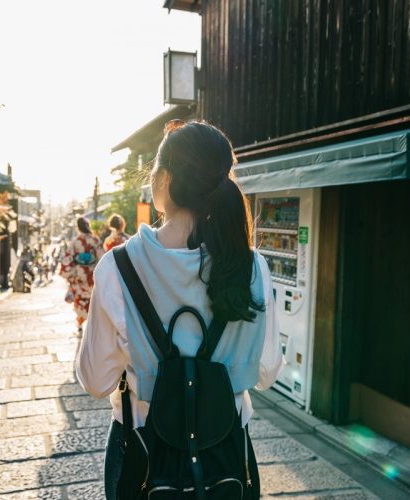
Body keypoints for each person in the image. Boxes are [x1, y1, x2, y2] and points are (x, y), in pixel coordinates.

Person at [76, 120, 283, 499]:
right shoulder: (252, 265)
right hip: (227, 457)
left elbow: (95, 380)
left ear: (164, 179)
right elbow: (267, 371)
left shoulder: (118, 267)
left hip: (143, 454)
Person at [59, 217, 104, 331]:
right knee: (93, 300)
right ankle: (92, 323)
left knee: (80, 300)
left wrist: (69, 273)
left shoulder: (75, 242)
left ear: (78, 228)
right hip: (93, 274)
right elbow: (102, 257)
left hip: (80, 275)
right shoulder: (96, 240)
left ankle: (80, 322)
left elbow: (68, 259)